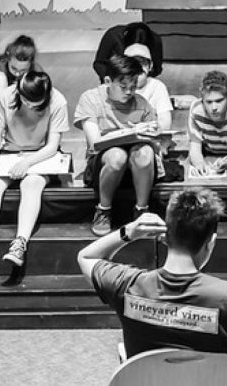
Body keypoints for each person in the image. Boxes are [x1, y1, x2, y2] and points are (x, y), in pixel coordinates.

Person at [77, 188, 227, 359]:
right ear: (211, 243)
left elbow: (86, 257)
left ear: (164, 236)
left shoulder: (126, 284)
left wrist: (129, 231)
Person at [0, 71, 70, 267]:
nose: (30, 106)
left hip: (40, 156)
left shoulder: (58, 101)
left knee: (32, 183)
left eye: (35, 104)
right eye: (27, 101)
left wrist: (27, 163)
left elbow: (52, 146)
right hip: (10, 153)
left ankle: (20, 243)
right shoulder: (7, 95)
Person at [74, 55, 159, 236]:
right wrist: (122, 134)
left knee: (144, 153)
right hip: (104, 164)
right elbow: (95, 143)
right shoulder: (91, 99)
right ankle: (103, 209)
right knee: (117, 156)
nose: (129, 92)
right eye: (123, 87)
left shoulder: (142, 104)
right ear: (107, 81)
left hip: (137, 166)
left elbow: (156, 143)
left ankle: (141, 210)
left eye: (133, 87)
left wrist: (151, 133)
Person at [187, 71, 227, 176]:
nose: (214, 108)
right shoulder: (196, 110)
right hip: (208, 155)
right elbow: (195, 146)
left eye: (219, 101)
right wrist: (199, 163)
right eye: (208, 102)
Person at [123, 43, 172, 132]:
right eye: (132, 63)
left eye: (142, 62)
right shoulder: (117, 86)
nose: (137, 67)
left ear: (150, 66)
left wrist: (151, 128)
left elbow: (166, 122)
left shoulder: (157, 87)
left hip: (150, 135)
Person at [93, 22, 163, 83]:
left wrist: (142, 78)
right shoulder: (113, 36)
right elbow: (98, 63)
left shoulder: (156, 41)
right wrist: (115, 77)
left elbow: (157, 69)